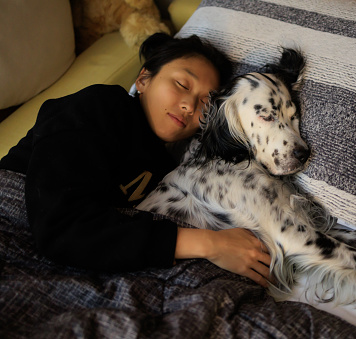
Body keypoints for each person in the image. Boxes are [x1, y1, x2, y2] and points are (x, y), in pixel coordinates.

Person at [0, 33, 272, 287]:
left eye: (206, 103)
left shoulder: (168, 169)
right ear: (143, 80)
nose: (189, 105)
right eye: (181, 84)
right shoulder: (100, 106)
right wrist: (210, 244)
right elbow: (61, 225)